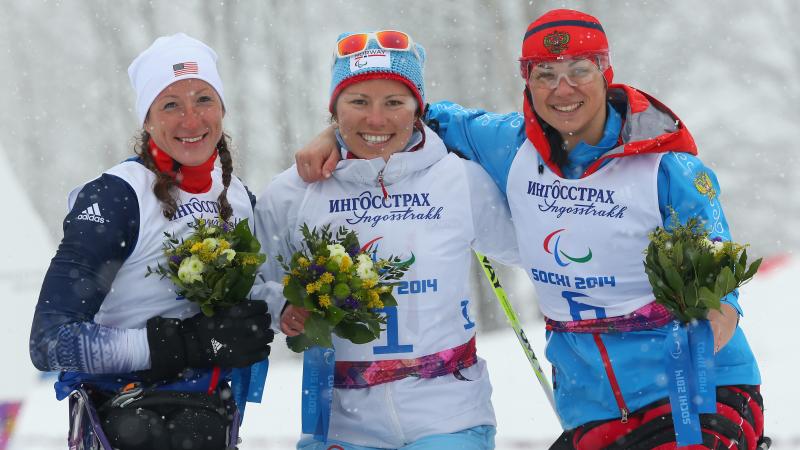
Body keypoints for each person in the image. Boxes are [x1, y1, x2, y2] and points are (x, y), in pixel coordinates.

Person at [294, 10, 768, 450]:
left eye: (578, 70)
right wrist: (332, 133)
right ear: (527, 80)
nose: (562, 89)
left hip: (693, 392)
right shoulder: (507, 143)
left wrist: (709, 324)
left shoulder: (666, 165)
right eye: (545, 74)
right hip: (591, 405)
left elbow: (718, 283)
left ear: (605, 71)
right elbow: (402, 114)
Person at [256, 30, 518, 450]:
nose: (375, 120)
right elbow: (256, 284)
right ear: (333, 110)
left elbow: (533, 252)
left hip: (450, 417)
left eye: (394, 102)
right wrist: (283, 307)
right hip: (342, 425)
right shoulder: (294, 192)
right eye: (358, 102)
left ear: (418, 110)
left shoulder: (459, 179)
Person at [29, 33, 274, 450]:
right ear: (146, 119)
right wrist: (182, 343)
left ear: (222, 109)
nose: (191, 120)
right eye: (171, 105)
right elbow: (51, 342)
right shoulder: (115, 196)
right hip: (127, 423)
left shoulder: (237, 196)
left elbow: (256, 299)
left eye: (203, 100)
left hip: (210, 422)